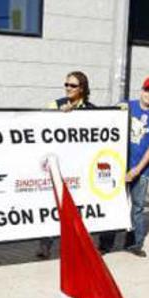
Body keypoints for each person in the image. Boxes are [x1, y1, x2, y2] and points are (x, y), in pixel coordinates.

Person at [98, 76, 149, 257]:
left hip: (141, 170)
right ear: (142, 90)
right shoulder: (126, 106)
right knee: (113, 204)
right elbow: (105, 122)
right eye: (148, 89)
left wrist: (136, 170)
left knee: (136, 208)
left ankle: (133, 244)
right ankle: (105, 244)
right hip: (118, 167)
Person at [37, 71, 97, 258]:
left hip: (79, 168)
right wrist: (59, 116)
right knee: (53, 205)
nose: (68, 88)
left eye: (73, 85)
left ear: (82, 89)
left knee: (78, 208)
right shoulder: (55, 105)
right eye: (66, 84)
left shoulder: (92, 110)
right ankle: (45, 245)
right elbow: (41, 124)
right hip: (59, 166)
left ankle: (76, 247)